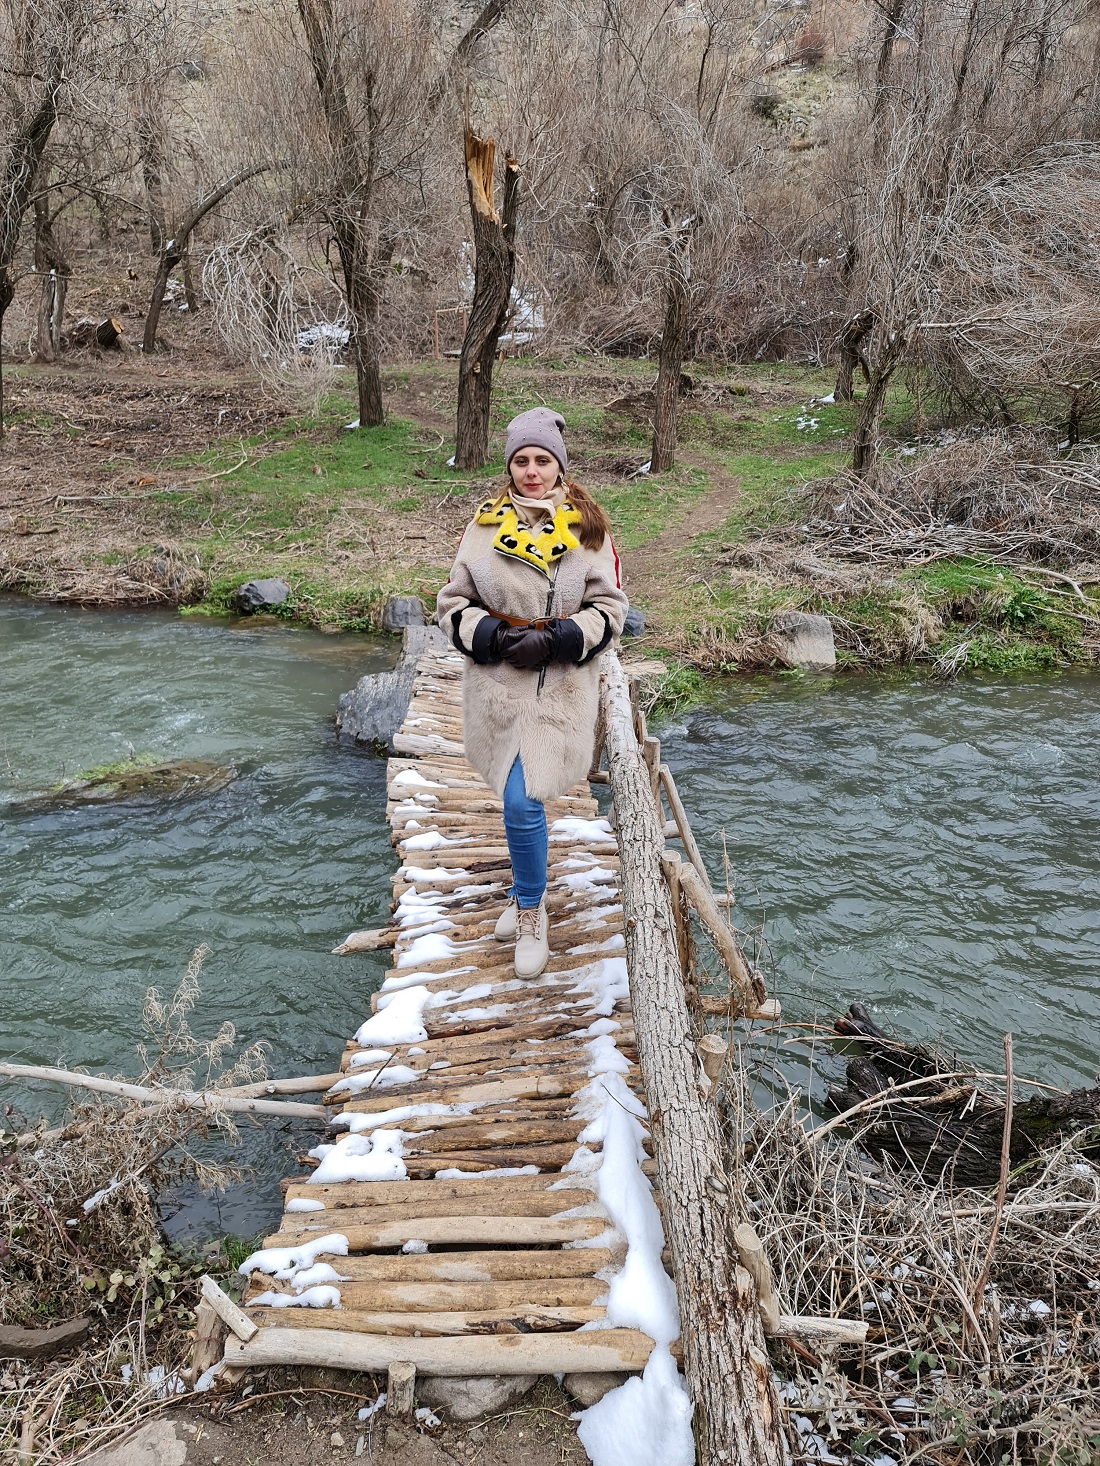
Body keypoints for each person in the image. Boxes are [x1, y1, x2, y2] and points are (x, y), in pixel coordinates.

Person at [436, 408, 628, 979]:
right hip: (497, 683)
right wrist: (490, 634)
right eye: (521, 461)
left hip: (560, 685)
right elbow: (451, 605)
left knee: (522, 801)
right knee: (514, 797)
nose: (531, 472)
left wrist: (561, 639)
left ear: (559, 466)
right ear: (510, 466)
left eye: (542, 460)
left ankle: (528, 909)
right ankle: (528, 890)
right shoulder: (483, 527)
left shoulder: (589, 529)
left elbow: (613, 610)